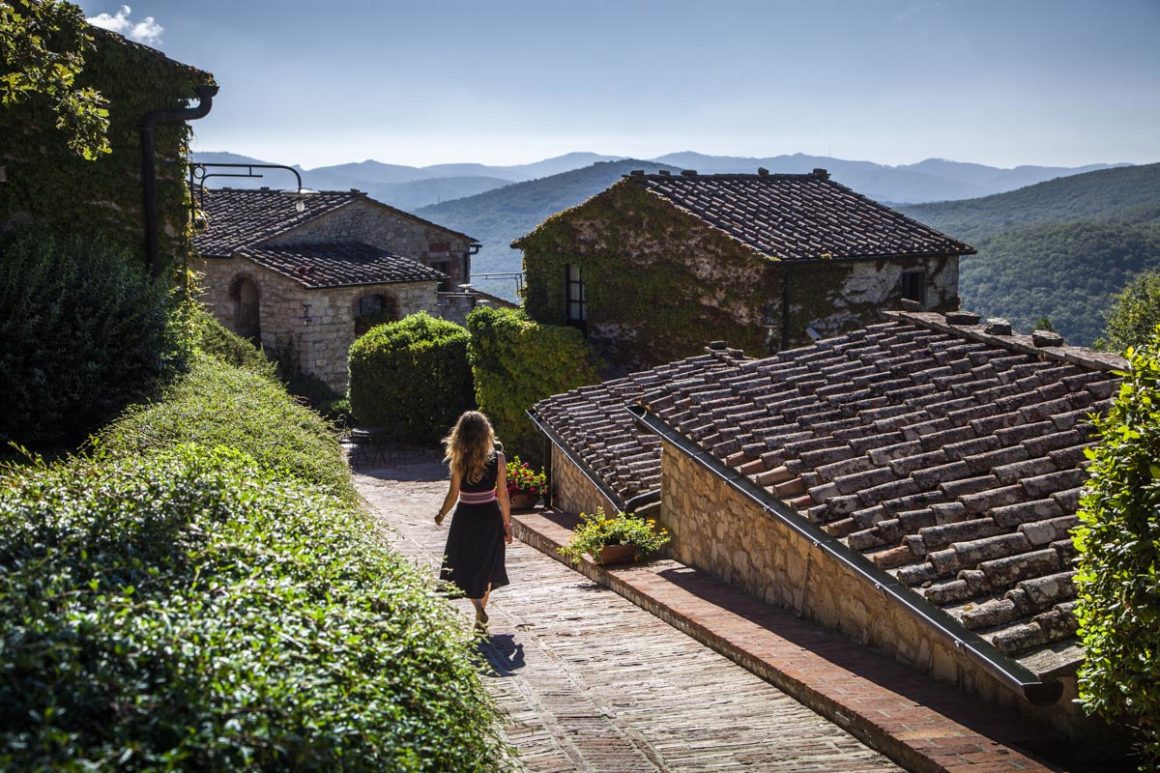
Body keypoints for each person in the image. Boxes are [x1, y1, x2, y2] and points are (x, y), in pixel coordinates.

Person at [435, 410, 512, 633]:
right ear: (485, 433)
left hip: (465, 517)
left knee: (465, 565)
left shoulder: (459, 461)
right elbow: (503, 494)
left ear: (460, 435)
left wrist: (441, 514)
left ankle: (478, 608)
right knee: (487, 567)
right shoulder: (498, 458)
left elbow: (453, 495)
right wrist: (507, 524)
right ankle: (480, 616)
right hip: (489, 515)